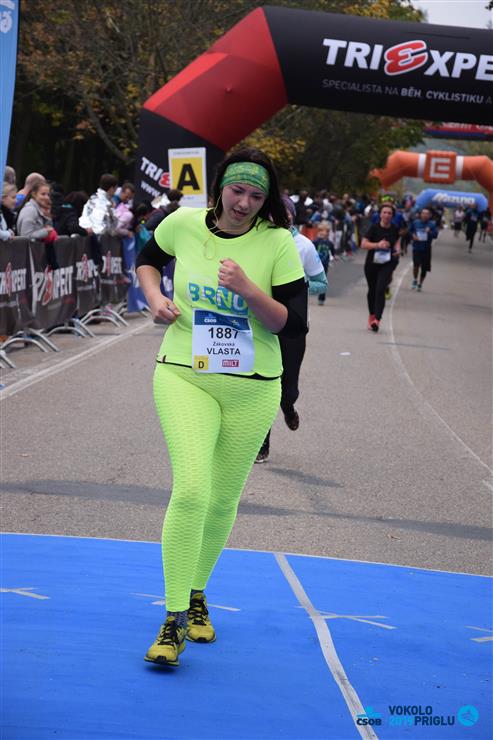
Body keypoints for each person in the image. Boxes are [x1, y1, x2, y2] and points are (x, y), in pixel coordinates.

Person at [135, 148, 306, 667]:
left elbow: (290, 323)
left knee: (222, 499)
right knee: (191, 488)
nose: (244, 203)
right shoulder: (184, 223)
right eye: (236, 191)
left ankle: (196, 593)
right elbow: (147, 258)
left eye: (255, 196)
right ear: (220, 189)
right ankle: (172, 620)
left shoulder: (278, 242)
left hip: (253, 386)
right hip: (185, 374)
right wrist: (154, 298)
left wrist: (249, 290)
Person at [255, 196, 327, 463]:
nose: (278, 218)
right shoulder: (257, 240)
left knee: (288, 390)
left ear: (292, 217)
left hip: (292, 325)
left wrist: (296, 285)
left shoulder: (304, 246)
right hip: (262, 323)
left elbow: (322, 283)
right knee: (263, 385)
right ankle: (262, 444)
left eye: (284, 214)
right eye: (274, 213)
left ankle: (288, 406)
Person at [361, 203, 401, 332]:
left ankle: (377, 320)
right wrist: (377, 245)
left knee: (380, 289)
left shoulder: (394, 229)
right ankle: (371, 315)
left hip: (387, 263)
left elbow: (397, 242)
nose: (387, 215)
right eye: (384, 212)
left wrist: (397, 250)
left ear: (392, 216)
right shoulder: (374, 228)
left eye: (389, 213)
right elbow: (363, 244)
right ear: (380, 214)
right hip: (372, 264)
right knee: (372, 290)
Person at [409, 207, 438, 291]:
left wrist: (429, 232)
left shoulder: (432, 224)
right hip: (417, 247)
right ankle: (415, 280)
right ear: (420, 214)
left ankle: (420, 284)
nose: (425, 215)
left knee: (424, 268)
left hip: (426, 249)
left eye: (427, 214)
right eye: (423, 213)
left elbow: (435, 235)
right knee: (416, 265)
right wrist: (413, 236)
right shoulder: (416, 222)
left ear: (430, 215)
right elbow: (410, 231)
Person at [312, 220, 334, 306]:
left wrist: (333, 257)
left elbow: (333, 251)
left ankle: (321, 298)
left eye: (324, 231)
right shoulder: (317, 241)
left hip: (324, 265)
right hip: (315, 264)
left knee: (323, 281)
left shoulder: (330, 243)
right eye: (320, 231)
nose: (322, 233)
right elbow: (311, 247)